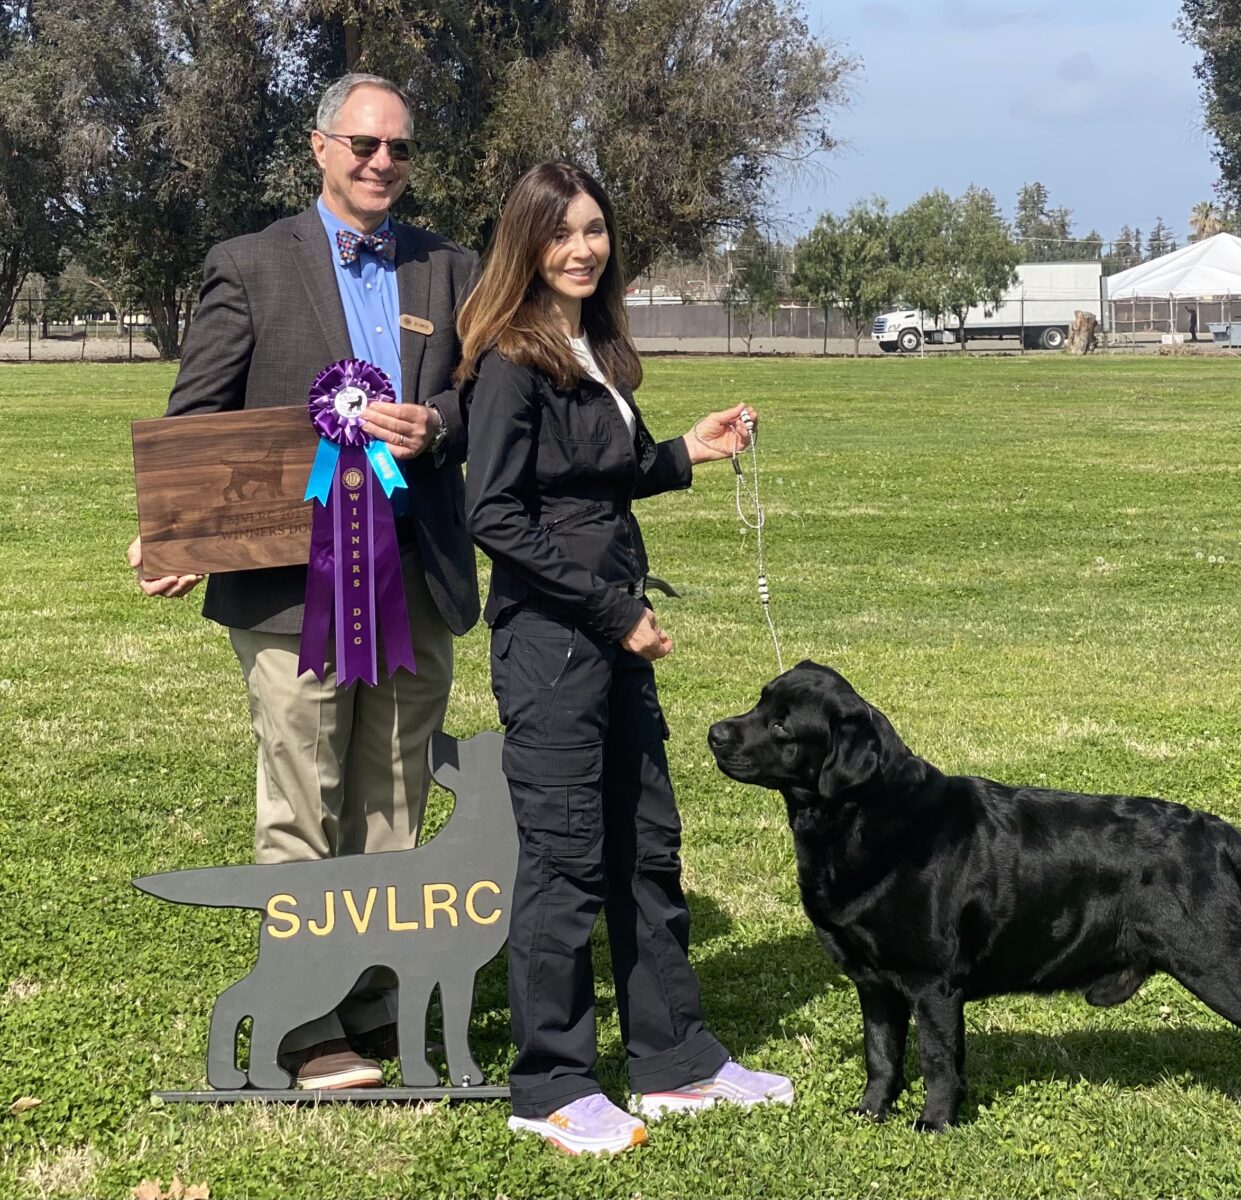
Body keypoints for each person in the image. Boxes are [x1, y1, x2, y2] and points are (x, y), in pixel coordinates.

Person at [126, 73, 479, 1089]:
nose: (381, 164)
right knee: (301, 800)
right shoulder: (249, 266)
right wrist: (175, 534)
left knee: (395, 802)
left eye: (399, 149)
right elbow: (196, 416)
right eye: (363, 145)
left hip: (418, 577)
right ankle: (306, 1023)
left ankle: (378, 1003)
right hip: (292, 588)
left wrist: (439, 427)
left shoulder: (449, 268)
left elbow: (482, 394)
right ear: (318, 147)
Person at [460, 161, 791, 1156]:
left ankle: (675, 1057)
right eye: (562, 232)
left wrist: (688, 451)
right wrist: (614, 612)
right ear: (526, 242)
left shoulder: (589, 346)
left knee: (646, 850)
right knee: (563, 865)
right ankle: (551, 1084)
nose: (582, 248)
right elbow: (498, 515)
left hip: (610, 638)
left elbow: (603, 480)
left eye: (595, 229)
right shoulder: (510, 361)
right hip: (554, 648)